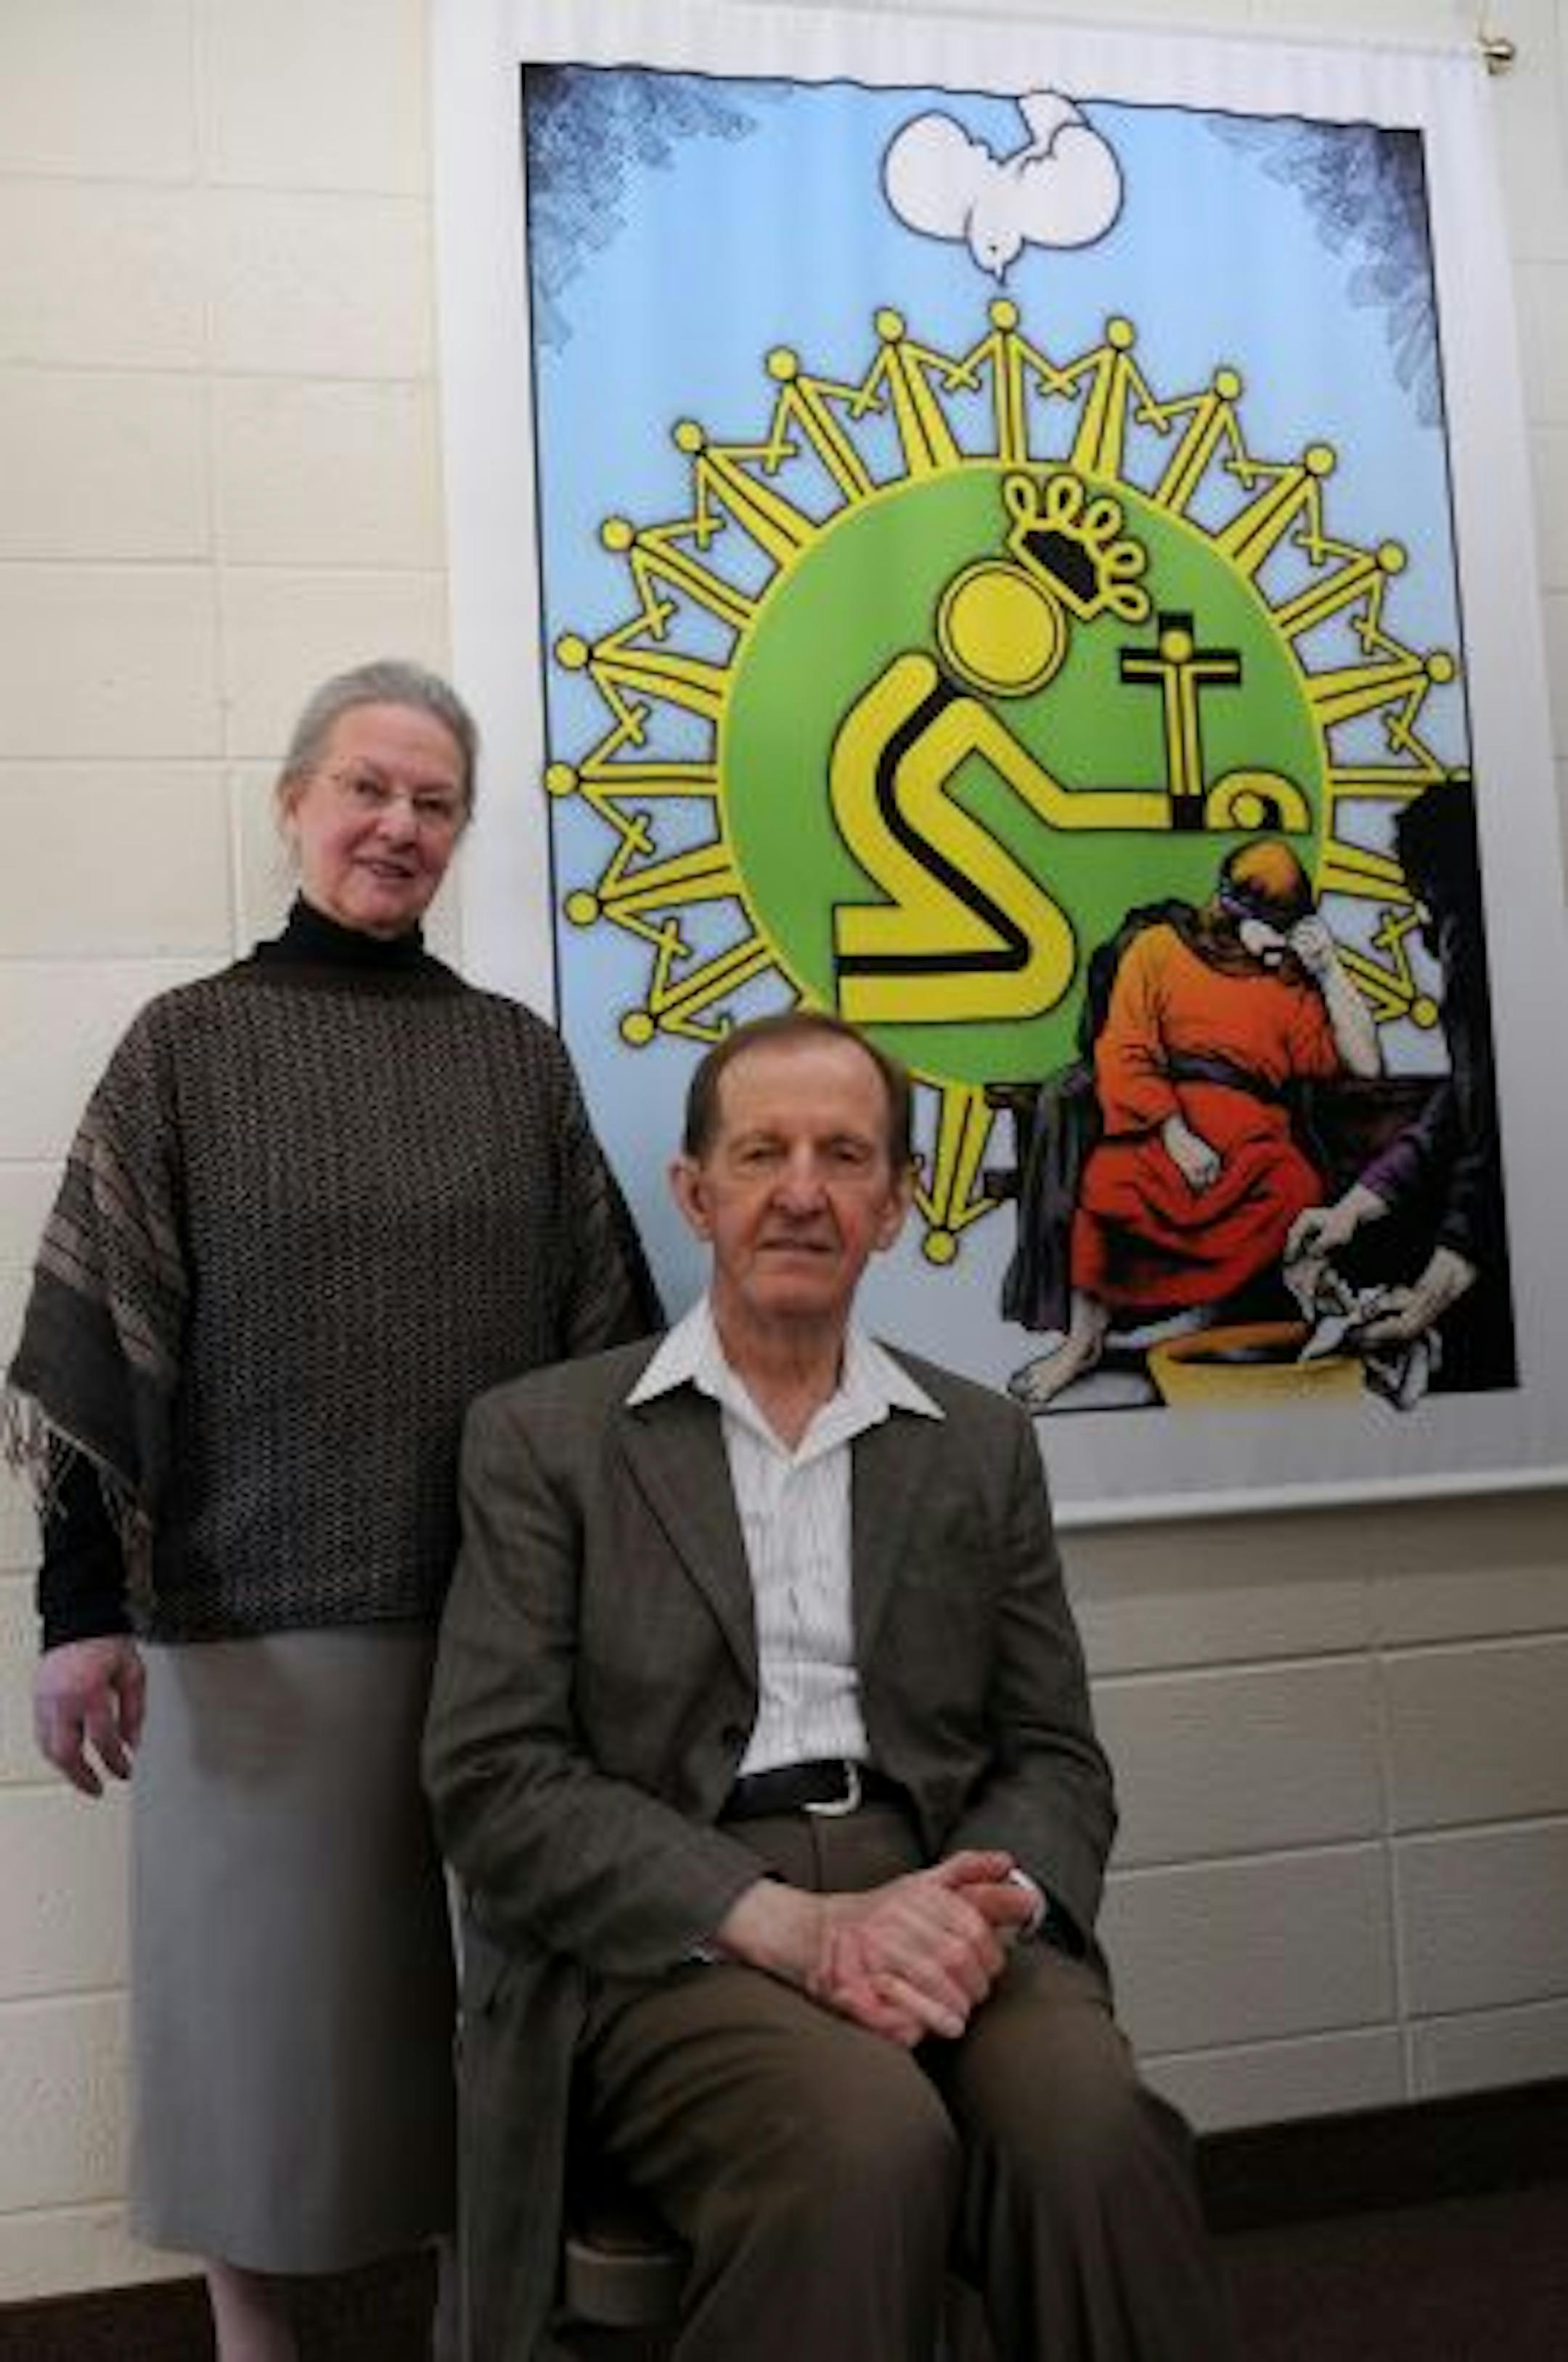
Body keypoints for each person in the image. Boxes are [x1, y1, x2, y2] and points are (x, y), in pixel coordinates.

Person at [4, 660, 659, 2362]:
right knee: (257, 2028)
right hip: (249, 1622)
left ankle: (485, 2314)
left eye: (435, 802)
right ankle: (254, 2338)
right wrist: (75, 1612)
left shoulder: (515, 1061)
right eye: (369, 788)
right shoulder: (184, 1051)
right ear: (293, 802)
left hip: (503, 1619)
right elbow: (98, 1340)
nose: (400, 825)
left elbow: (610, 1341)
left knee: (505, 2005)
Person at [424, 1009, 1236, 2362]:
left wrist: (984, 1906)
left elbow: (1053, 1752)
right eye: (763, 1151)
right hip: (673, 1918)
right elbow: (495, 1778)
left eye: (845, 1154)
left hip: (937, 1884)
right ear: (697, 1192)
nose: (802, 1188)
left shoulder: (979, 1442)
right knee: (863, 2139)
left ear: (898, 1200)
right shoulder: (542, 1438)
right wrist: (785, 1925)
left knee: (1090, 2125)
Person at [1008, 838, 1380, 1409]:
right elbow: (1126, 1048)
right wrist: (1176, 1137)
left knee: (1295, 1187)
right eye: (1274, 926)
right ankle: (1081, 1344)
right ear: (1234, 912)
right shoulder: (1158, 951)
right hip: (1161, 1129)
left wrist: (1330, 972)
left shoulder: (1288, 985)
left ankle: (1292, 1320)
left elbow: (1365, 1063)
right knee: (1109, 1188)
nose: (1282, 942)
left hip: (1256, 1144)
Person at [1285, 781, 1516, 1393]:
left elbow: (1502, 1135)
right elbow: (1465, 1104)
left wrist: (1432, 1292)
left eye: (1423, 894)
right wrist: (1355, 1208)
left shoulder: (1473, 939)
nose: (1418, 917)